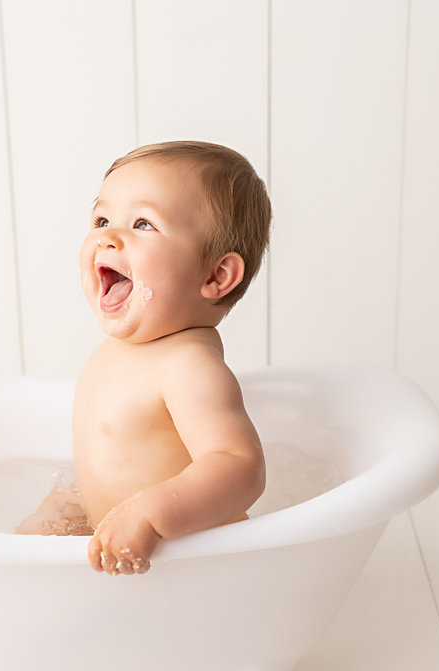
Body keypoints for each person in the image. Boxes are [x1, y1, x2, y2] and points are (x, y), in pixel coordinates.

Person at [16, 141, 270, 576]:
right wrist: (71, 505)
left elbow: (239, 465)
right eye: (101, 219)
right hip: (119, 538)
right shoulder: (127, 349)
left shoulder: (188, 366)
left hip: (190, 563)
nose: (107, 237)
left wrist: (150, 516)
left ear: (216, 275)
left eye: (143, 224)